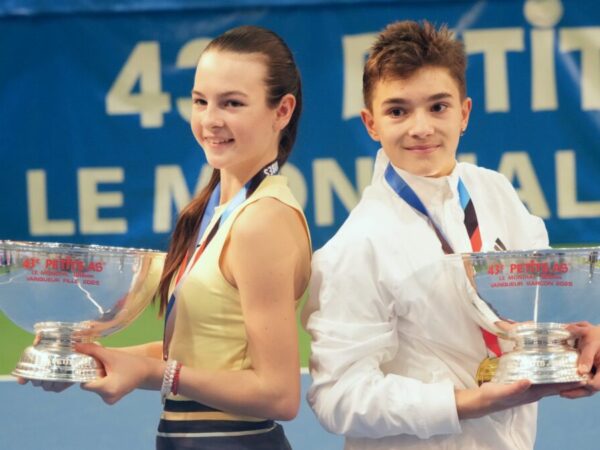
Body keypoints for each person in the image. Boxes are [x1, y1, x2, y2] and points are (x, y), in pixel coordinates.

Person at [302, 20, 599, 450]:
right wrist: (463, 403)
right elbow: (338, 397)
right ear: (371, 123)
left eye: (437, 107)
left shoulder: (495, 192)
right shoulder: (356, 247)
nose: (420, 127)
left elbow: (541, 300)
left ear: (464, 113)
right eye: (397, 111)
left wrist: (578, 343)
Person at [20, 25, 311, 450]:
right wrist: (86, 360)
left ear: (282, 111)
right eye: (200, 101)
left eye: (232, 103)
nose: (211, 120)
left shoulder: (262, 220)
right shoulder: (217, 207)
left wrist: (157, 374)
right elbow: (204, 352)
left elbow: (279, 394)